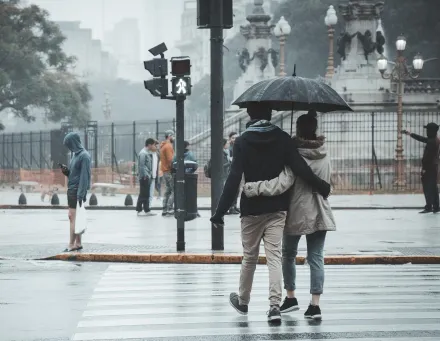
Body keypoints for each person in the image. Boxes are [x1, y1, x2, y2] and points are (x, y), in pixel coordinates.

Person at [210, 103, 331, 323]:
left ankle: (243, 301)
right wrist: (320, 184)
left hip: (251, 209)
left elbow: (234, 178)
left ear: (249, 114)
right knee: (274, 257)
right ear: (271, 114)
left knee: (250, 257)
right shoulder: (283, 138)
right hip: (278, 208)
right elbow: (299, 168)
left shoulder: (242, 141)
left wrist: (219, 212)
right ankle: (275, 306)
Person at [243, 110, 336, 320]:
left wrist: (254, 189)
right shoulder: (324, 151)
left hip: (296, 210)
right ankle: (315, 305)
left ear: (298, 129)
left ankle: (291, 297)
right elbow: (329, 180)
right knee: (316, 258)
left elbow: (283, 183)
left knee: (287, 255)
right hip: (320, 210)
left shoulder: (294, 154)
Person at [60, 132, 91, 252]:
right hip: (72, 190)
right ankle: (78, 243)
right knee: (75, 218)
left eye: (69, 144)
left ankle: (71, 244)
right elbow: (74, 174)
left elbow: (85, 177)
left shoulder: (84, 156)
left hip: (76, 191)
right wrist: (66, 172)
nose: (68, 147)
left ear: (74, 142)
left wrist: (81, 194)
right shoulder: (75, 155)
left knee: (72, 218)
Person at [403, 123, 440, 213]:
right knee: (433, 187)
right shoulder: (436, 140)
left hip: (429, 168)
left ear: (431, 131)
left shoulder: (431, 142)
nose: (426, 132)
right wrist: (410, 133)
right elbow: (422, 139)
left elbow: (427, 157)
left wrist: (424, 169)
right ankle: (436, 206)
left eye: (428, 130)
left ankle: (428, 207)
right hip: (434, 167)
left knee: (427, 187)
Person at [136, 138, 154, 216]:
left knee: (146, 194)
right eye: (153, 144)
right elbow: (142, 166)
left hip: (147, 176)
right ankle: (139, 210)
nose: (153, 146)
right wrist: (144, 176)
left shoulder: (147, 152)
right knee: (143, 194)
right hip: (144, 176)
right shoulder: (143, 153)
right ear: (149, 145)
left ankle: (147, 209)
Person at [160, 130, 175, 216]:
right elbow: (170, 160)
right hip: (169, 171)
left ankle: (164, 209)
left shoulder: (163, 146)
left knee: (168, 191)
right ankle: (170, 208)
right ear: (169, 136)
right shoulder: (168, 146)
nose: (174, 138)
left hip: (164, 171)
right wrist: (174, 168)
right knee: (174, 190)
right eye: (173, 136)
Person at [228, 132, 240, 215]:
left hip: (238, 170)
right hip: (231, 171)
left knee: (237, 190)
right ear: (230, 139)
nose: (235, 139)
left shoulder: (239, 146)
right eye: (233, 137)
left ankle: (235, 206)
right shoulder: (229, 148)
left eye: (236, 137)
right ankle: (231, 207)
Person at [147, 139, 160, 210]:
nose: (157, 147)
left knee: (151, 193)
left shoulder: (157, 154)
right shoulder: (148, 154)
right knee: (147, 193)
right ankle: (146, 207)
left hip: (154, 176)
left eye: (157, 146)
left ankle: (149, 207)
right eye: (155, 145)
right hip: (148, 176)